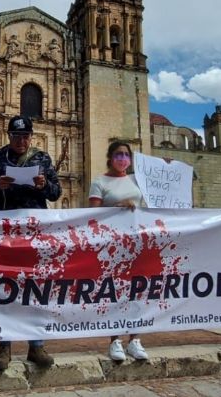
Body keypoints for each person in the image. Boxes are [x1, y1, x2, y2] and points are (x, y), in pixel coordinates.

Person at [0, 115, 61, 371]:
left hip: (36, 231)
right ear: (9, 136)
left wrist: (44, 185)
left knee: (35, 288)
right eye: (16, 136)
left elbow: (56, 193)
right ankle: (4, 347)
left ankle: (36, 346)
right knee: (5, 286)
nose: (21, 141)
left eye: (25, 136)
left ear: (31, 136)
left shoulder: (42, 158)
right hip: (6, 231)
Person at [88, 141, 149, 362]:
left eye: (126, 155)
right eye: (118, 154)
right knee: (113, 291)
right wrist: (116, 207)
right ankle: (115, 341)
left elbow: (157, 195)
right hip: (112, 244)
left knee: (138, 290)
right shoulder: (99, 181)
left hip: (138, 242)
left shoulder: (136, 180)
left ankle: (135, 340)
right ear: (109, 157)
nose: (122, 158)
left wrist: (166, 164)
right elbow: (92, 214)